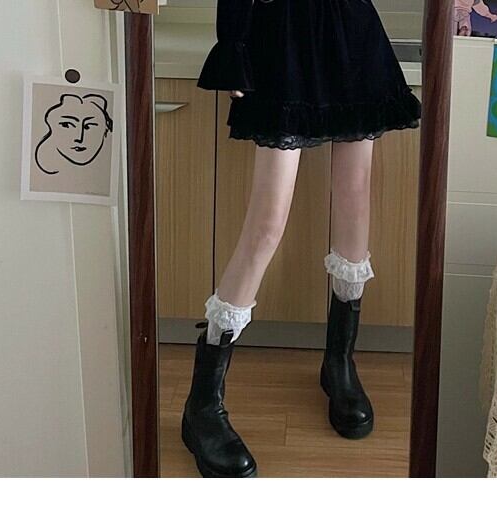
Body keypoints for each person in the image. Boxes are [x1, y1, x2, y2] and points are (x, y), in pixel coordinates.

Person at [181, 0, 421, 478]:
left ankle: (339, 362)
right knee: (268, 220)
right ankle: (202, 403)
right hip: (281, 38)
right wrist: (233, 45)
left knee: (355, 198)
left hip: (350, 33)